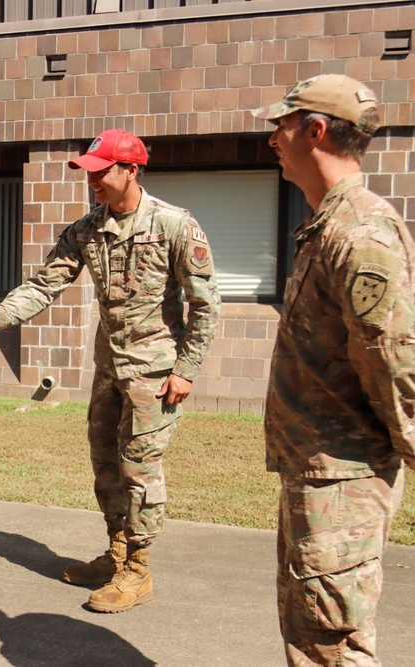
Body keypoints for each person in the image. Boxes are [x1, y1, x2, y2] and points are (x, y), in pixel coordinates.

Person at [0, 129, 221, 613]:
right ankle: (118, 552)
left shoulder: (173, 224)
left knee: (139, 470)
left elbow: (205, 305)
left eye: (102, 171)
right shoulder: (86, 229)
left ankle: (139, 571)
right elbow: (43, 285)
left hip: (154, 373)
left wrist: (186, 368)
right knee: (105, 463)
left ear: (131, 170)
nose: (94, 180)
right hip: (109, 370)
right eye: (90, 172)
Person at [251, 74, 415, 666]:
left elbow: (393, 357)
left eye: (282, 125)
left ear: (316, 130)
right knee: (313, 633)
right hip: (320, 471)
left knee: (332, 643)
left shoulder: (359, 231)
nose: (274, 138)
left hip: (344, 479)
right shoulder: (326, 224)